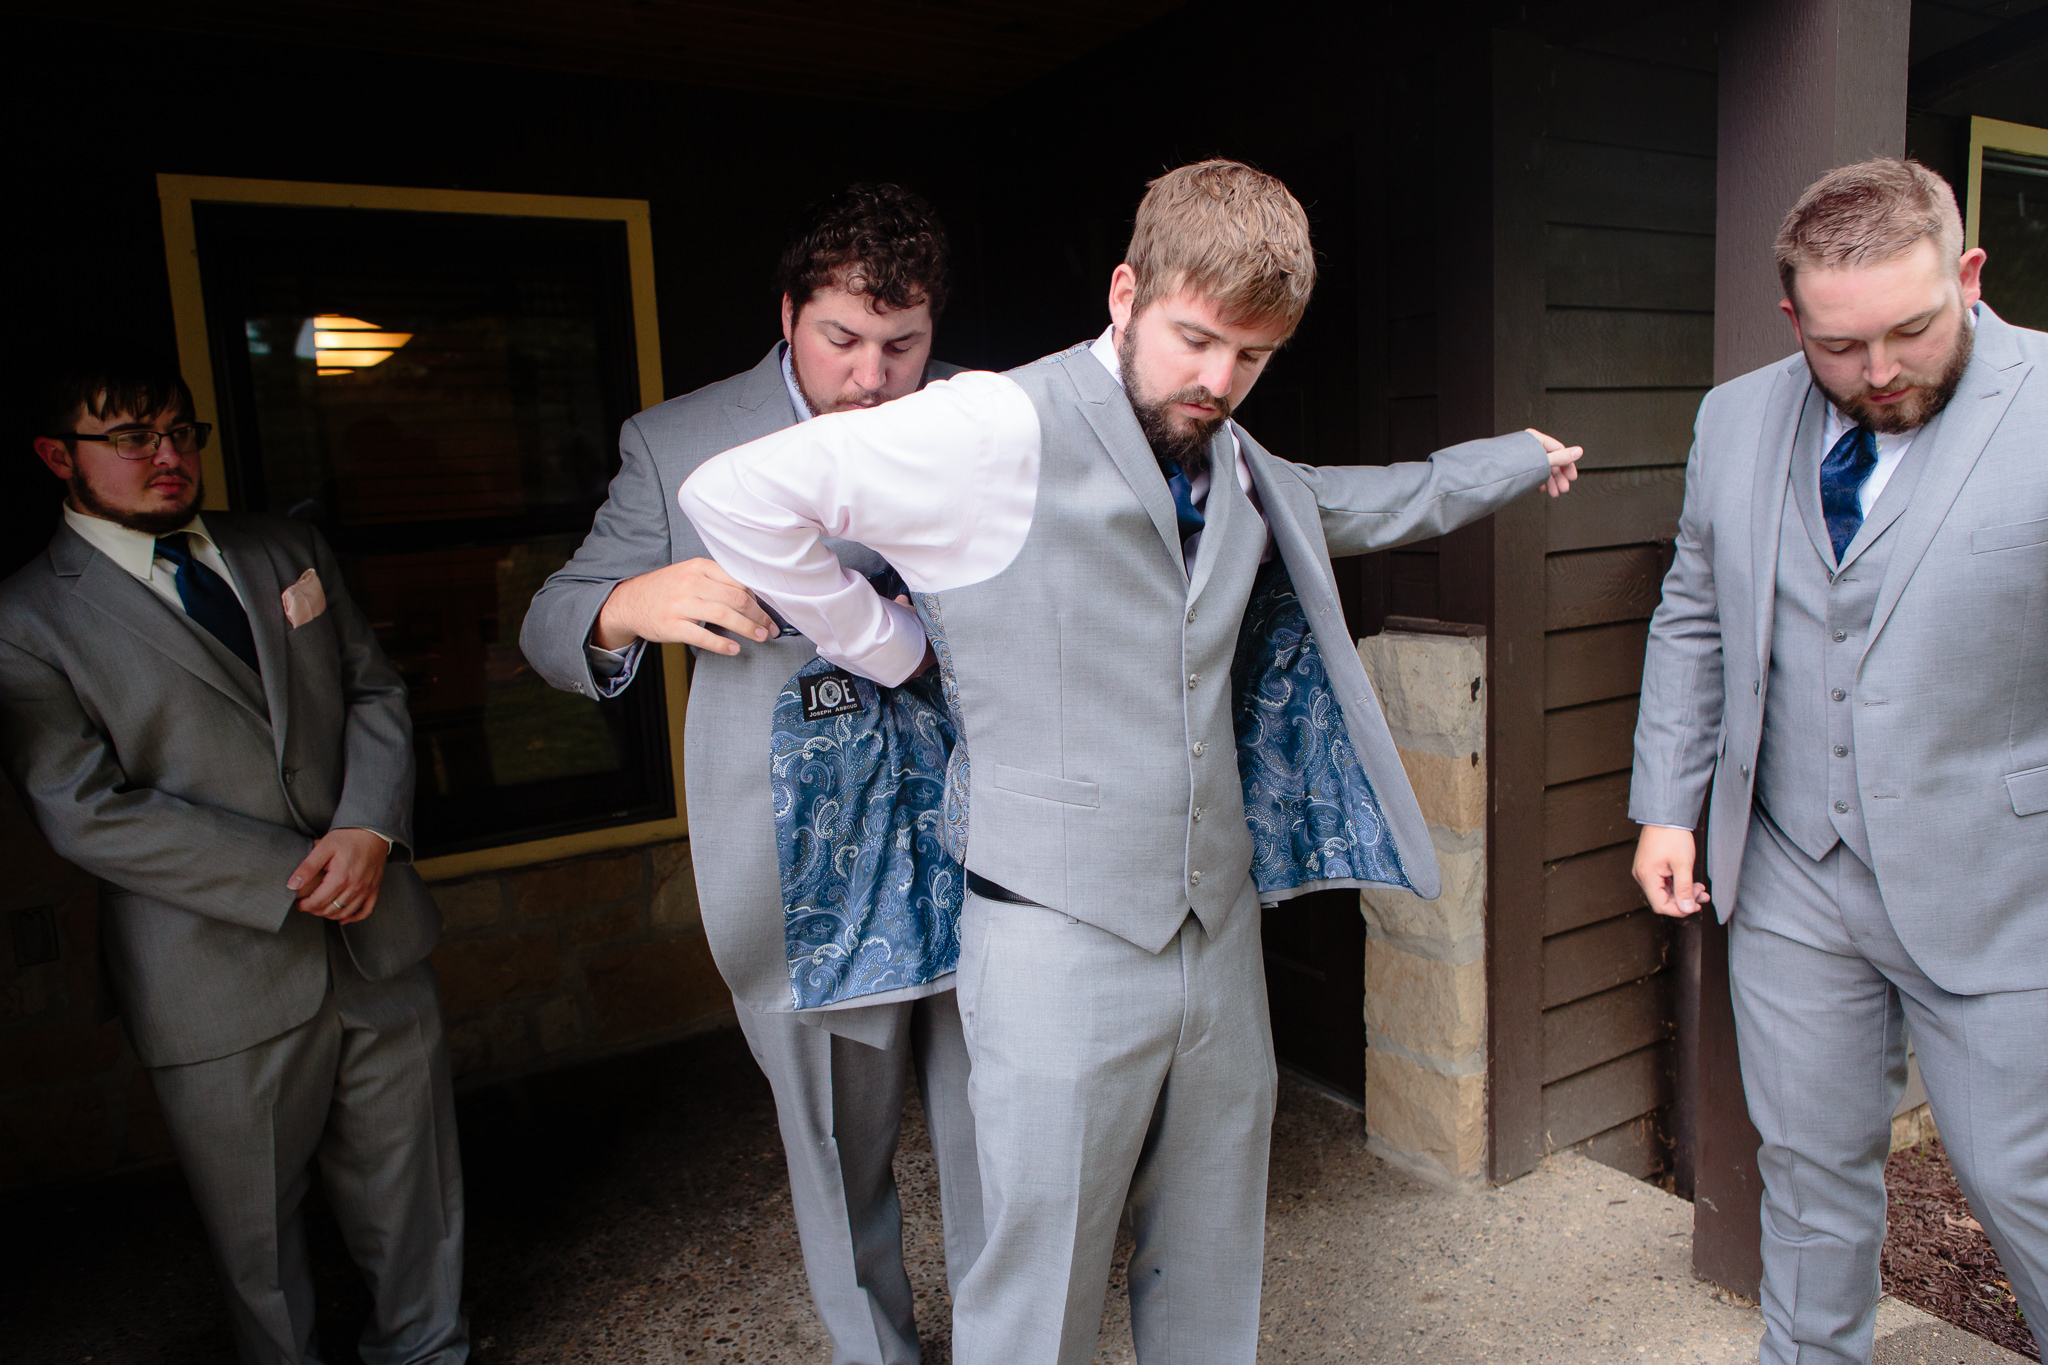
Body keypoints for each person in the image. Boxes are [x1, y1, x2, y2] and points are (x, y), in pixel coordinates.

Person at [678, 159, 1582, 1365]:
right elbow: (730, 494)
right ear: (1124, 294)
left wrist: (1512, 458)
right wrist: (885, 643)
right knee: (1035, 1287)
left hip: (1213, 937)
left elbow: (1360, 503)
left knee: (1211, 1263)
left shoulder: (1242, 459)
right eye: (1194, 340)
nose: (1217, 382)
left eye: (1250, 358)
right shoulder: (989, 424)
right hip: (1050, 935)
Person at [521, 182, 984, 1365]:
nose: (872, 376)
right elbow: (549, 621)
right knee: (837, 1149)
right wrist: (628, 604)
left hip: (979, 836)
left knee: (1010, 1131)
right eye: (841, 339)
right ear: (788, 315)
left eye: (902, 345)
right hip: (805, 871)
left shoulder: (979, 425)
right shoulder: (674, 442)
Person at [1630, 157, 2046, 1363]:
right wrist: (1666, 805)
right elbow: (1694, 609)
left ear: (1967, 275)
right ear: (1791, 319)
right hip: (1791, 870)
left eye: (1911, 330)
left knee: (2027, 1187)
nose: (1878, 373)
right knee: (1806, 1183)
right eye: (1838, 344)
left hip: (2003, 878)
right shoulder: (1734, 415)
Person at [0, 351, 465, 1364]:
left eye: (179, 432)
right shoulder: (25, 619)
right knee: (256, 1241)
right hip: (211, 969)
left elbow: (374, 691)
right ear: (56, 456)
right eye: (130, 439)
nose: (167, 456)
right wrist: (294, 875)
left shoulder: (283, 547)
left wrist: (369, 831)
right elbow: (83, 808)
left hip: (377, 929)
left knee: (415, 1196)